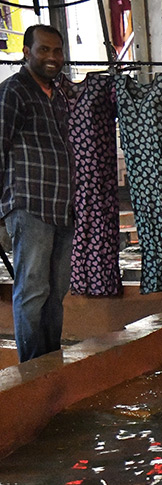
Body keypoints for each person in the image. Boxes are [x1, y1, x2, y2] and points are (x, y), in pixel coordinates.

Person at [0, 25, 74, 364]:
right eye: (43, 50)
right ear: (26, 52)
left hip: (62, 207)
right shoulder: (13, 91)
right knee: (32, 292)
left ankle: (51, 362)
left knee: (55, 293)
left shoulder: (57, 94)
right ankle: (32, 368)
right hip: (29, 205)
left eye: (57, 51)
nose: (52, 57)